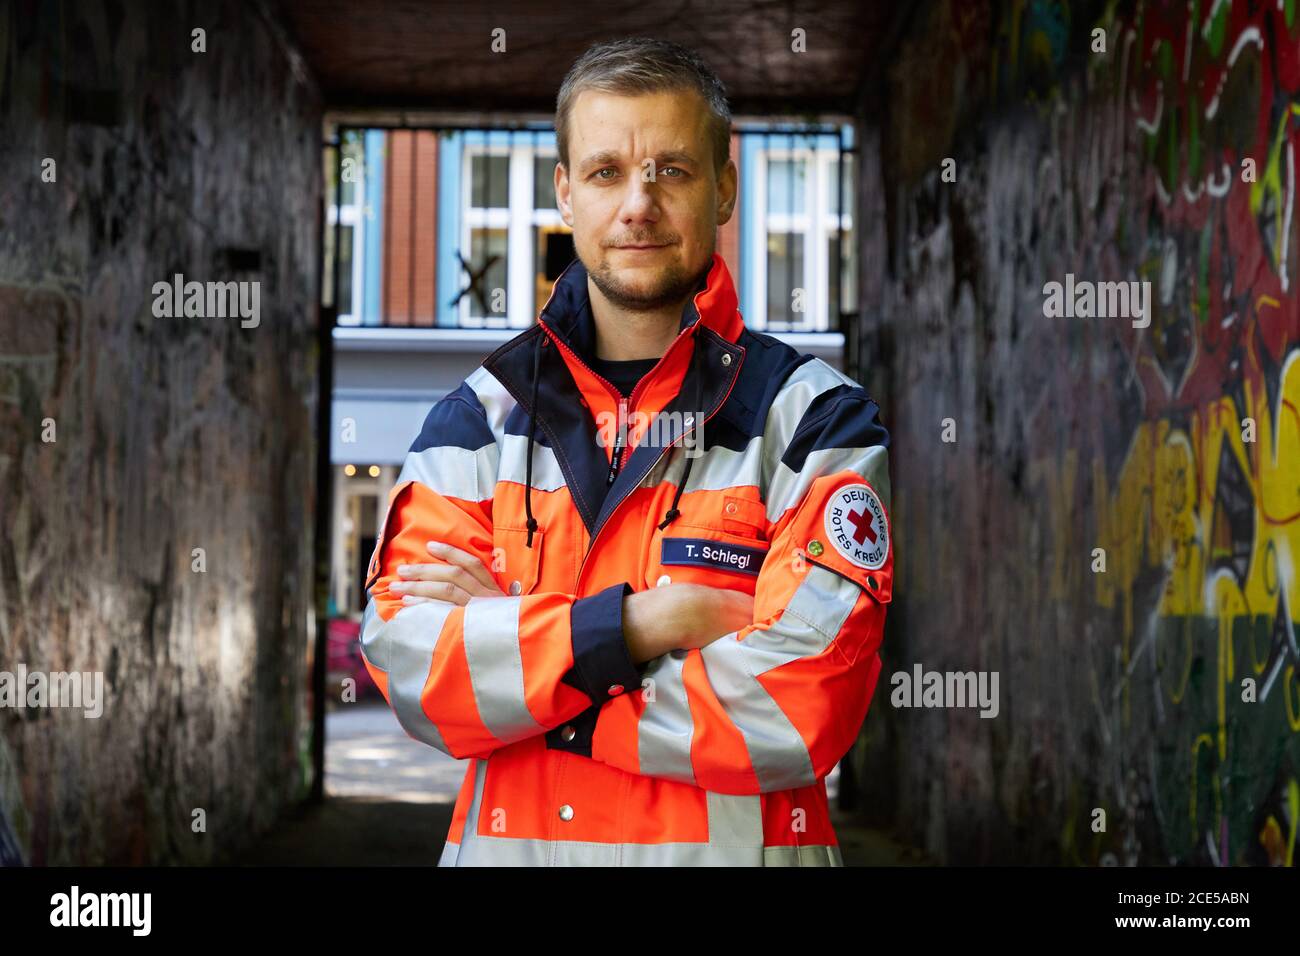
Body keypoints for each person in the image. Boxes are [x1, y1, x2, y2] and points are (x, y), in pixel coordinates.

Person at [359, 36, 893, 866]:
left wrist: (520, 671)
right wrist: (644, 623)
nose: (637, 204)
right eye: (606, 172)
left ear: (724, 189)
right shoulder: (478, 418)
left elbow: (798, 706)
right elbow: (408, 667)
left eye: (672, 170)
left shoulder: (814, 423)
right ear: (566, 194)